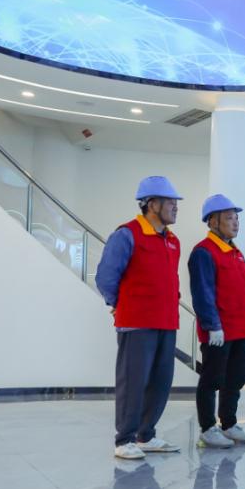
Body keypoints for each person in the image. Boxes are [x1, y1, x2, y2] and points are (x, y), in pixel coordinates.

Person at [96, 176, 183, 460]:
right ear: (151, 204)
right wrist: (120, 304)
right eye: (170, 202)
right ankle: (125, 439)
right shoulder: (127, 234)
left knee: (161, 382)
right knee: (133, 382)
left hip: (166, 322)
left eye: (176, 203)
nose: (175, 207)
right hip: (136, 323)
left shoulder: (173, 241)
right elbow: (106, 277)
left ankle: (146, 435)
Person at [188, 194, 245, 449]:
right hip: (219, 332)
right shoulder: (204, 252)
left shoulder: (235, 252)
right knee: (212, 379)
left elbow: (243, 294)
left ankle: (228, 424)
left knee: (235, 380)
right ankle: (208, 428)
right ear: (212, 221)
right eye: (229, 218)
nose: (235, 222)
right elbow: (203, 292)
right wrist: (212, 326)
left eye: (236, 218)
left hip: (240, 331)